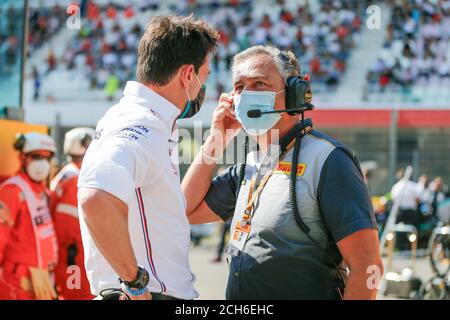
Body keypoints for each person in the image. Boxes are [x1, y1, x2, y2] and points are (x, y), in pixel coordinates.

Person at [182, 45, 383, 300]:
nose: (247, 94)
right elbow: (185, 210)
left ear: (294, 93)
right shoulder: (250, 164)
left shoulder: (329, 160)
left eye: (259, 83)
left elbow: (368, 267)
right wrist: (216, 140)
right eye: (240, 87)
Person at [77, 15, 219, 300]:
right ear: (187, 75)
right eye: (204, 77)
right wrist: (135, 281)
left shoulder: (143, 117)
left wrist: (219, 138)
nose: (204, 87)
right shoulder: (142, 124)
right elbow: (95, 199)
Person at [0, 132, 58, 300]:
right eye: (36, 157)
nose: (42, 164)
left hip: (41, 280)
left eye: (47, 158)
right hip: (17, 282)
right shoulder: (11, 191)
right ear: (23, 158)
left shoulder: (43, 192)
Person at [50, 128, 95, 300]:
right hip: (73, 256)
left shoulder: (68, 174)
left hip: (69, 254)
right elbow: (71, 230)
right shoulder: (75, 179)